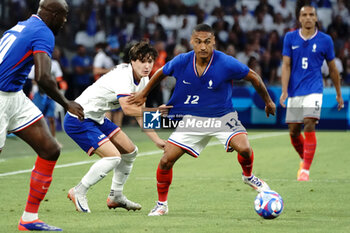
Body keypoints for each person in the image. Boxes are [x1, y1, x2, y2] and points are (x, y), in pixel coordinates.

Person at [128, 24, 276, 216]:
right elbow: (161, 72)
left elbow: (254, 77)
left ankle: (248, 176)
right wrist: (143, 94)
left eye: (207, 42)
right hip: (192, 120)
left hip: (222, 117)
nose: (203, 46)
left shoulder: (226, 63)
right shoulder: (182, 61)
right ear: (192, 42)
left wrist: (268, 101)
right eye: (198, 42)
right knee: (165, 161)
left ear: (213, 42)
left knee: (246, 149)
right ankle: (161, 204)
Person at [0, 0, 84, 231]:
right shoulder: (43, 32)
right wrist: (66, 103)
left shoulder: (22, 25)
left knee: (50, 149)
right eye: (64, 16)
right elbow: (44, 78)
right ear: (53, 14)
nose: (65, 21)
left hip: (13, 95)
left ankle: (29, 219)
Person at [64, 41, 166, 213]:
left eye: (150, 61)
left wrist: (157, 140)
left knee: (130, 151)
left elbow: (138, 112)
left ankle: (115, 196)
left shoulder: (144, 79)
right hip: (79, 118)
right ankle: (79, 191)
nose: (147, 65)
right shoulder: (123, 76)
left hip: (97, 118)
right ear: (132, 61)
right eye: (142, 60)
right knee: (113, 157)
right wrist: (156, 110)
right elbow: (127, 108)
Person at [279, 0, 344, 181]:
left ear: (316, 18)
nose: (308, 18)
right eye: (304, 15)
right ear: (299, 19)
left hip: (314, 88)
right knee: (293, 131)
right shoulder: (290, 38)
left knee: (309, 122)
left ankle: (305, 170)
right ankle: (304, 157)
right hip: (295, 90)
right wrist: (284, 91)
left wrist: (338, 93)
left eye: (311, 15)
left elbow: (332, 69)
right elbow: (286, 65)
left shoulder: (325, 40)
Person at [28, 58, 66, 146]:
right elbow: (32, 80)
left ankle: (54, 140)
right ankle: (38, 140)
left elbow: (58, 78)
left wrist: (53, 89)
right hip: (39, 93)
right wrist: (44, 85)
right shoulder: (35, 64)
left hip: (51, 94)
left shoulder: (55, 63)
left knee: (51, 118)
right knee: (37, 118)